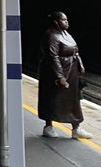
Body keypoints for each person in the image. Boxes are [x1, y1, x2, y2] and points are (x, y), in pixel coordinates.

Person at [37, 11, 91, 140]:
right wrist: (60, 76)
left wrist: (80, 65)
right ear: (56, 22)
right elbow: (53, 57)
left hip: (71, 72)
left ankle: (76, 128)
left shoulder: (65, 34)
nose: (66, 22)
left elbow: (75, 50)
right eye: (63, 20)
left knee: (73, 100)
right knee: (52, 99)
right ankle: (48, 126)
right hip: (56, 73)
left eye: (66, 20)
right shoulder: (51, 36)